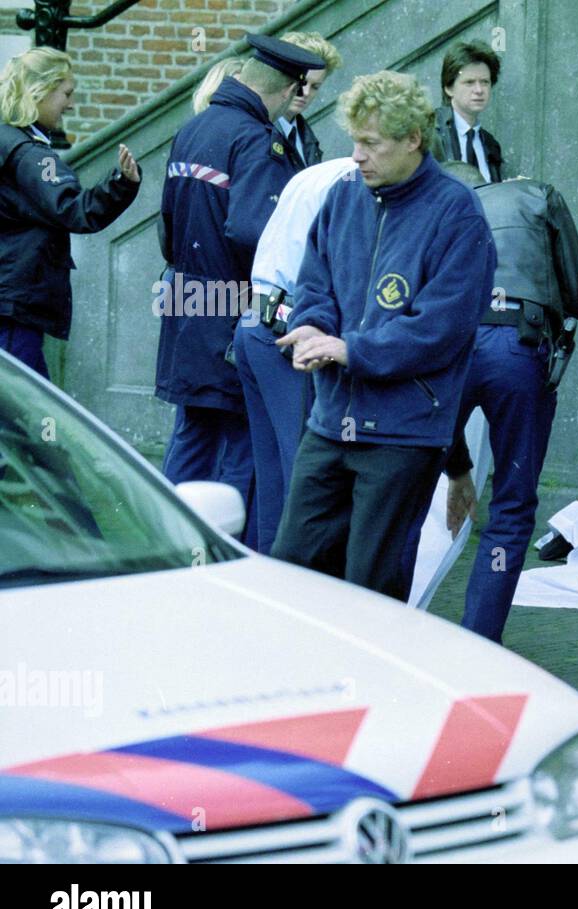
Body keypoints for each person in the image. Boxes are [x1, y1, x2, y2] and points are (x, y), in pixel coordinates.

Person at [271, 71, 496, 601]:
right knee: (291, 571)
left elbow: (442, 328)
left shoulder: (457, 213)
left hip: (403, 434)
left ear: (413, 139)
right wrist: (313, 326)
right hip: (329, 422)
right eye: (354, 141)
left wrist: (352, 350)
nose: (356, 155)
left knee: (370, 586)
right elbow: (314, 281)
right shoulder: (343, 196)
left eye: (370, 143)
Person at [154, 36, 326, 538]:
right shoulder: (256, 140)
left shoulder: (193, 128)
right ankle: (226, 562)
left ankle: (166, 545)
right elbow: (256, 231)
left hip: (188, 305)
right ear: (288, 89)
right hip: (233, 310)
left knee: (192, 436)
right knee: (240, 447)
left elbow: (167, 225)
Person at [438, 161, 578, 643]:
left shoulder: (436, 202)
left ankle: (395, 635)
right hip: (519, 345)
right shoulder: (536, 194)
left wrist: (459, 469)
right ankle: (479, 642)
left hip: (450, 343)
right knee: (510, 505)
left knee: (401, 492)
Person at [233, 156, 357, 553]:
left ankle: (274, 586)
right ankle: (296, 593)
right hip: (286, 329)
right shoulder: (353, 182)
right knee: (303, 483)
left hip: (256, 320)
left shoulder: (320, 173)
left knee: (275, 481)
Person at [0, 47, 140, 378]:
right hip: (14, 306)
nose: (71, 104)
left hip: (8, 300)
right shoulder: (30, 155)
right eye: (66, 93)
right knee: (24, 412)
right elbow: (75, 210)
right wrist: (122, 182)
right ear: (41, 91)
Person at [434, 40, 505, 183]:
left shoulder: (491, 145)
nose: (479, 90)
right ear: (449, 88)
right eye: (469, 82)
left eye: (485, 82)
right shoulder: (431, 133)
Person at [277, 31, 342, 168]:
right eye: (302, 81)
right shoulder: (255, 129)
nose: (305, 92)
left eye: (315, 86)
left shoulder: (305, 135)